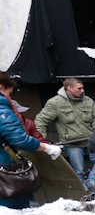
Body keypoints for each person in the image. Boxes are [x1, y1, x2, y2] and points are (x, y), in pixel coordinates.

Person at [0, 72, 63, 208]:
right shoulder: (1, 107)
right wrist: (47, 148)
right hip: (4, 173)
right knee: (13, 211)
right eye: (9, 94)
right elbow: (19, 139)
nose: (9, 99)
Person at [35, 77, 95, 191]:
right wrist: (42, 139)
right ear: (69, 88)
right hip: (72, 143)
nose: (82, 91)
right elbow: (40, 121)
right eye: (79, 88)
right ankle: (84, 193)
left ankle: (92, 181)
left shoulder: (88, 101)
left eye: (83, 88)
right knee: (78, 171)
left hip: (91, 140)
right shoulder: (55, 103)